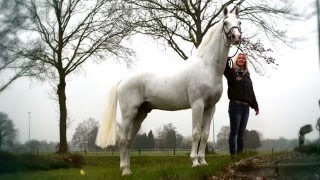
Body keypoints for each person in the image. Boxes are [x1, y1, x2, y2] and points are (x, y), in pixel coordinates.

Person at [224, 53, 259, 159]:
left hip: (246, 107)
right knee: (234, 132)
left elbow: (251, 92)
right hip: (235, 105)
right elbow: (224, 69)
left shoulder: (247, 75)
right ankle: (233, 156)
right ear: (236, 60)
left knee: (241, 133)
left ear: (245, 61)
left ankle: (240, 156)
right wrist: (226, 61)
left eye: (243, 58)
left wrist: (255, 106)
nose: (241, 59)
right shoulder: (232, 72)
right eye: (239, 58)